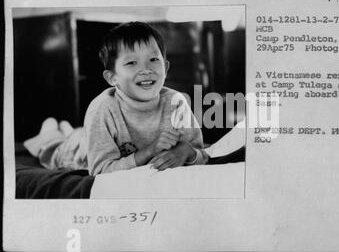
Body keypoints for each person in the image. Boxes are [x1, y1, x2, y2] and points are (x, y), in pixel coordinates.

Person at [24, 21, 208, 175]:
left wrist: (187, 152)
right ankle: (50, 133)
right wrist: (150, 151)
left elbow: (201, 153)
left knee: (77, 133)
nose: (146, 70)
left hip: (93, 136)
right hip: (76, 154)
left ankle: (69, 130)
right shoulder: (102, 108)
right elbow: (100, 171)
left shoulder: (176, 103)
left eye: (153, 60)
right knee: (53, 148)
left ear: (166, 68)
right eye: (131, 62)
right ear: (112, 78)